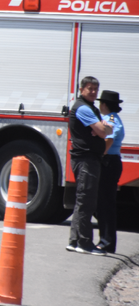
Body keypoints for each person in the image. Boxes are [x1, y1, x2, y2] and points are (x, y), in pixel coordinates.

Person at [67, 76, 112, 255]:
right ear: (81, 89)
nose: (93, 92)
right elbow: (103, 132)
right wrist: (102, 128)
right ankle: (84, 243)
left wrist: (102, 128)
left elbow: (104, 130)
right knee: (87, 201)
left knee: (83, 201)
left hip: (88, 159)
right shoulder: (83, 108)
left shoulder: (90, 107)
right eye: (90, 88)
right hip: (86, 160)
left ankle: (74, 240)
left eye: (95, 89)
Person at [95, 90, 124, 253]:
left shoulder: (110, 119)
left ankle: (106, 242)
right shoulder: (112, 118)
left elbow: (109, 138)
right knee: (104, 203)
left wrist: (101, 154)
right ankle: (106, 241)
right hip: (112, 162)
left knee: (105, 204)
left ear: (104, 104)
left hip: (108, 163)